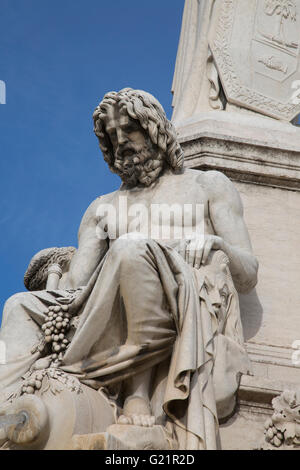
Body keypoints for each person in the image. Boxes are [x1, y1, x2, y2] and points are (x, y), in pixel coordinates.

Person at [0, 88, 258, 449]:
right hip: (105, 305)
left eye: (129, 129)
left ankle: (137, 396)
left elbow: (248, 273)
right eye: (112, 135)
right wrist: (58, 268)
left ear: (154, 129)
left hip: (182, 304)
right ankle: (9, 409)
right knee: (18, 306)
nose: (121, 141)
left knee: (130, 248)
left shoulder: (207, 186)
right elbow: (77, 287)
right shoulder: (102, 208)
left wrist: (217, 245)